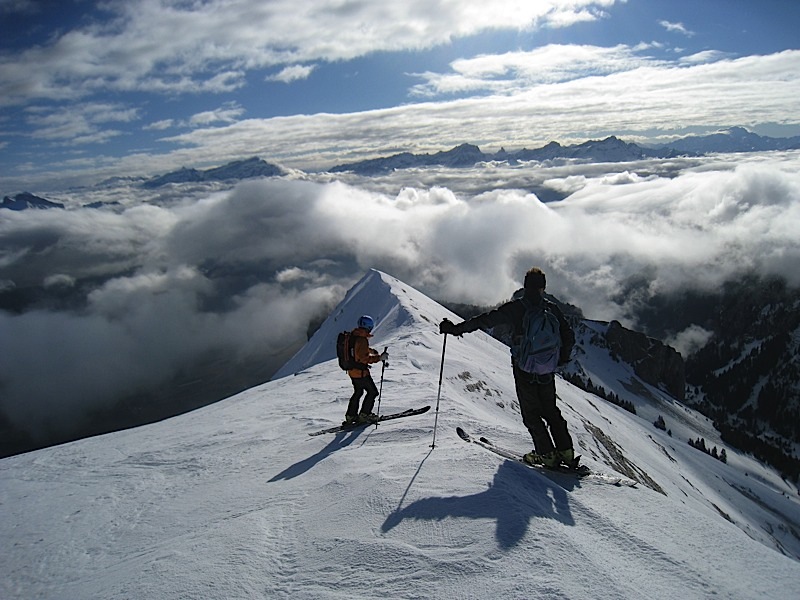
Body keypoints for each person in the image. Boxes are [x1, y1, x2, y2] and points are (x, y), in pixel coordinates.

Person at [439, 267, 577, 469]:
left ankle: (546, 455)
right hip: (547, 369)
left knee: (531, 414)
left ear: (525, 286)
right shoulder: (551, 309)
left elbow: (484, 320)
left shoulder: (516, 308)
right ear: (544, 287)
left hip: (524, 369)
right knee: (551, 410)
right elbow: (569, 336)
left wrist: (454, 329)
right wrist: (560, 359)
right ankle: (566, 452)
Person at [343, 315, 389, 427]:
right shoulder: (362, 339)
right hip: (361, 373)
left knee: (358, 392)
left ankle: (351, 416)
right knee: (373, 392)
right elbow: (364, 359)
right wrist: (379, 358)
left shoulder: (353, 336)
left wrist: (370, 350)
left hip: (352, 371)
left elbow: (357, 348)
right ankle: (365, 414)